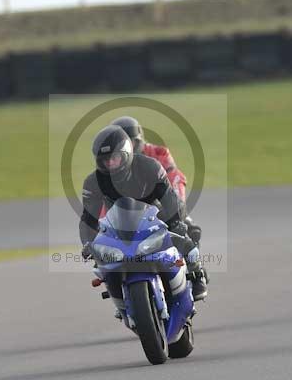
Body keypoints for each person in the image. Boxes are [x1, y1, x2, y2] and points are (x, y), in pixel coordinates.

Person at [79, 125, 208, 301]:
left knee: (187, 240)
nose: (110, 164)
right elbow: (88, 219)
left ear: (126, 153)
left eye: (114, 158)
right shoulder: (93, 182)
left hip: (156, 216)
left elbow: (170, 199)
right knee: (102, 261)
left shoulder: (150, 167)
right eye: (105, 161)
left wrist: (176, 222)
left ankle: (196, 273)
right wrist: (88, 243)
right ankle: (118, 295)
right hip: (120, 224)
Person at [109, 116, 202, 244]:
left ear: (138, 141)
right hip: (131, 208)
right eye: (119, 145)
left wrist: (177, 207)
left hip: (159, 201)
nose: (124, 148)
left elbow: (175, 177)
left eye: (128, 142)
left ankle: (191, 257)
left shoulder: (159, 153)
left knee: (190, 231)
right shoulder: (113, 162)